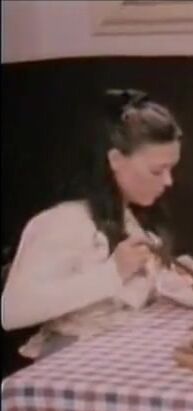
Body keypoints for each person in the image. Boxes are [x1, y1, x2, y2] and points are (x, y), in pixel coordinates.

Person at [1, 89, 183, 360]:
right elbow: (11, 311)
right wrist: (112, 273)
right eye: (157, 170)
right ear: (115, 160)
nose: (168, 181)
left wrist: (177, 273)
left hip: (125, 350)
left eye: (171, 169)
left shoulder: (132, 216)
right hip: (74, 360)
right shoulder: (62, 222)